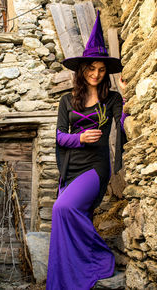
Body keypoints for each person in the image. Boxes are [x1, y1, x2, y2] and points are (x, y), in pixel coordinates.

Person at [46, 11, 127, 290]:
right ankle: (68, 275)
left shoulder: (112, 98)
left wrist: (127, 98)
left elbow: (124, 120)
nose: (96, 74)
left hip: (95, 168)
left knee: (62, 207)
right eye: (91, 69)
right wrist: (78, 139)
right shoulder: (67, 101)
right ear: (82, 70)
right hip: (72, 167)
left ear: (106, 73)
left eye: (101, 70)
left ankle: (100, 257)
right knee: (65, 216)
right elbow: (58, 136)